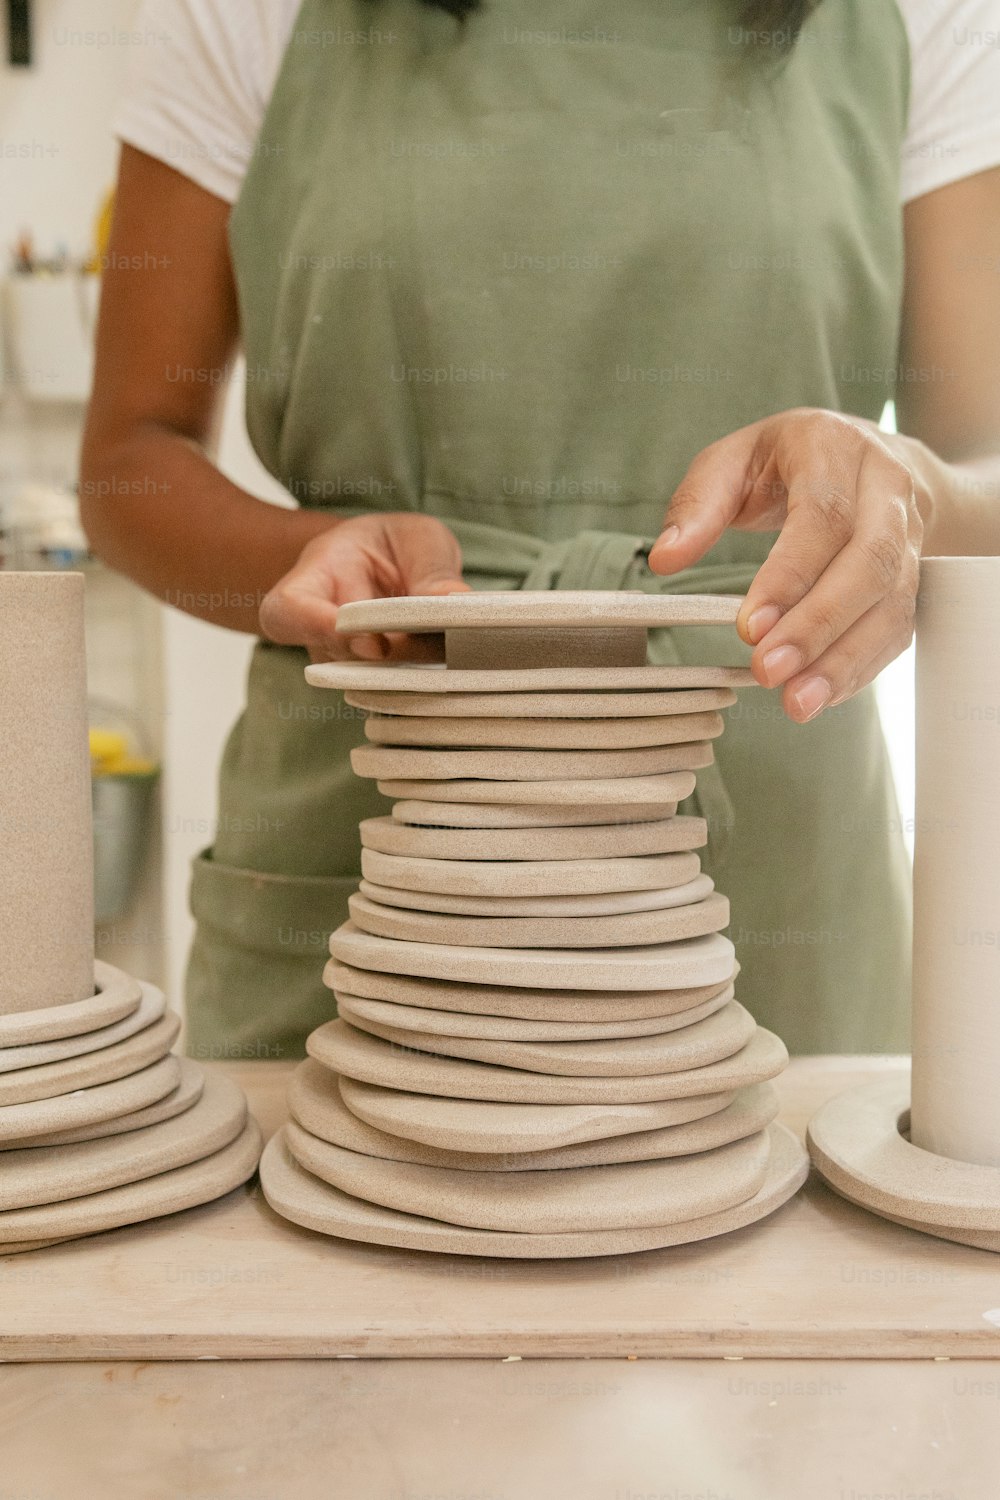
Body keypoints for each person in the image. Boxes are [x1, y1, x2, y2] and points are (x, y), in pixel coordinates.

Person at [82, 0, 1000, 1059]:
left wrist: (904, 488)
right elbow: (127, 462)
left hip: (778, 843)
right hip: (373, 837)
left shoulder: (923, 17)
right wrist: (306, 565)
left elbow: (983, 472)